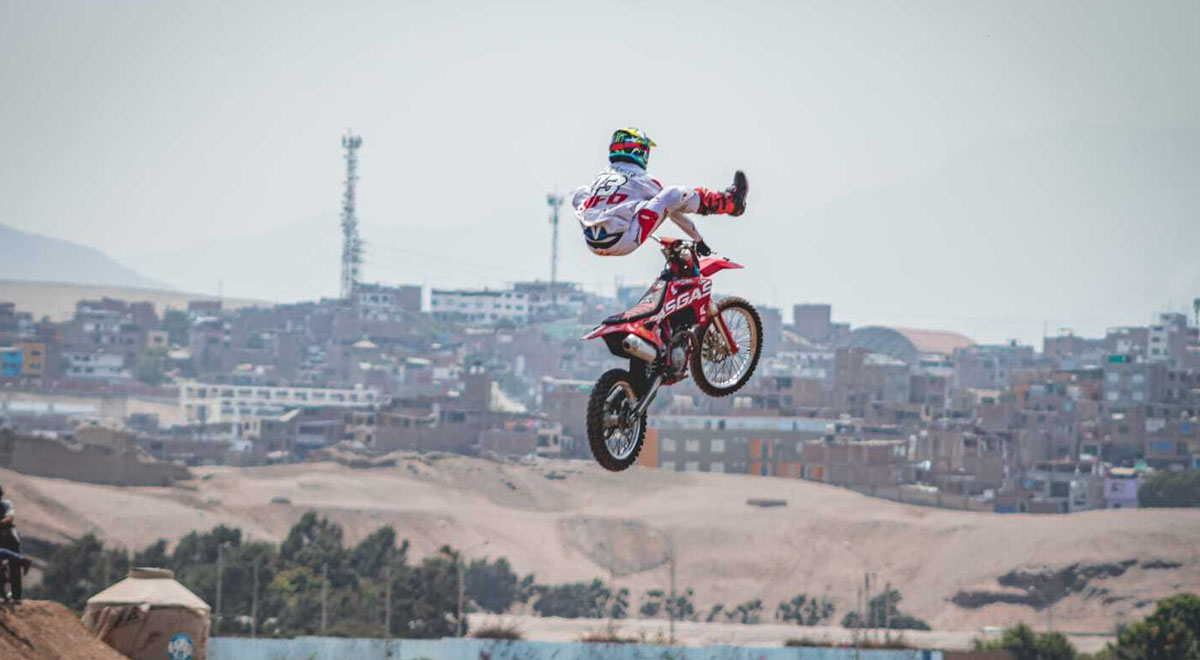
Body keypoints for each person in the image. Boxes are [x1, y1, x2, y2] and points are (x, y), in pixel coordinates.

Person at [573, 127, 748, 258]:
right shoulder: (642, 178)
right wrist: (698, 239)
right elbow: (672, 208)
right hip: (622, 242)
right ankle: (730, 203)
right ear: (638, 150)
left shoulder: (602, 176)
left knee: (581, 192)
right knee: (674, 193)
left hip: (592, 242)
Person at [0, 484, 31, 603]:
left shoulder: (6, 504)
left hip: (9, 536)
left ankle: (16, 595)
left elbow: (9, 518)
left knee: (14, 565)